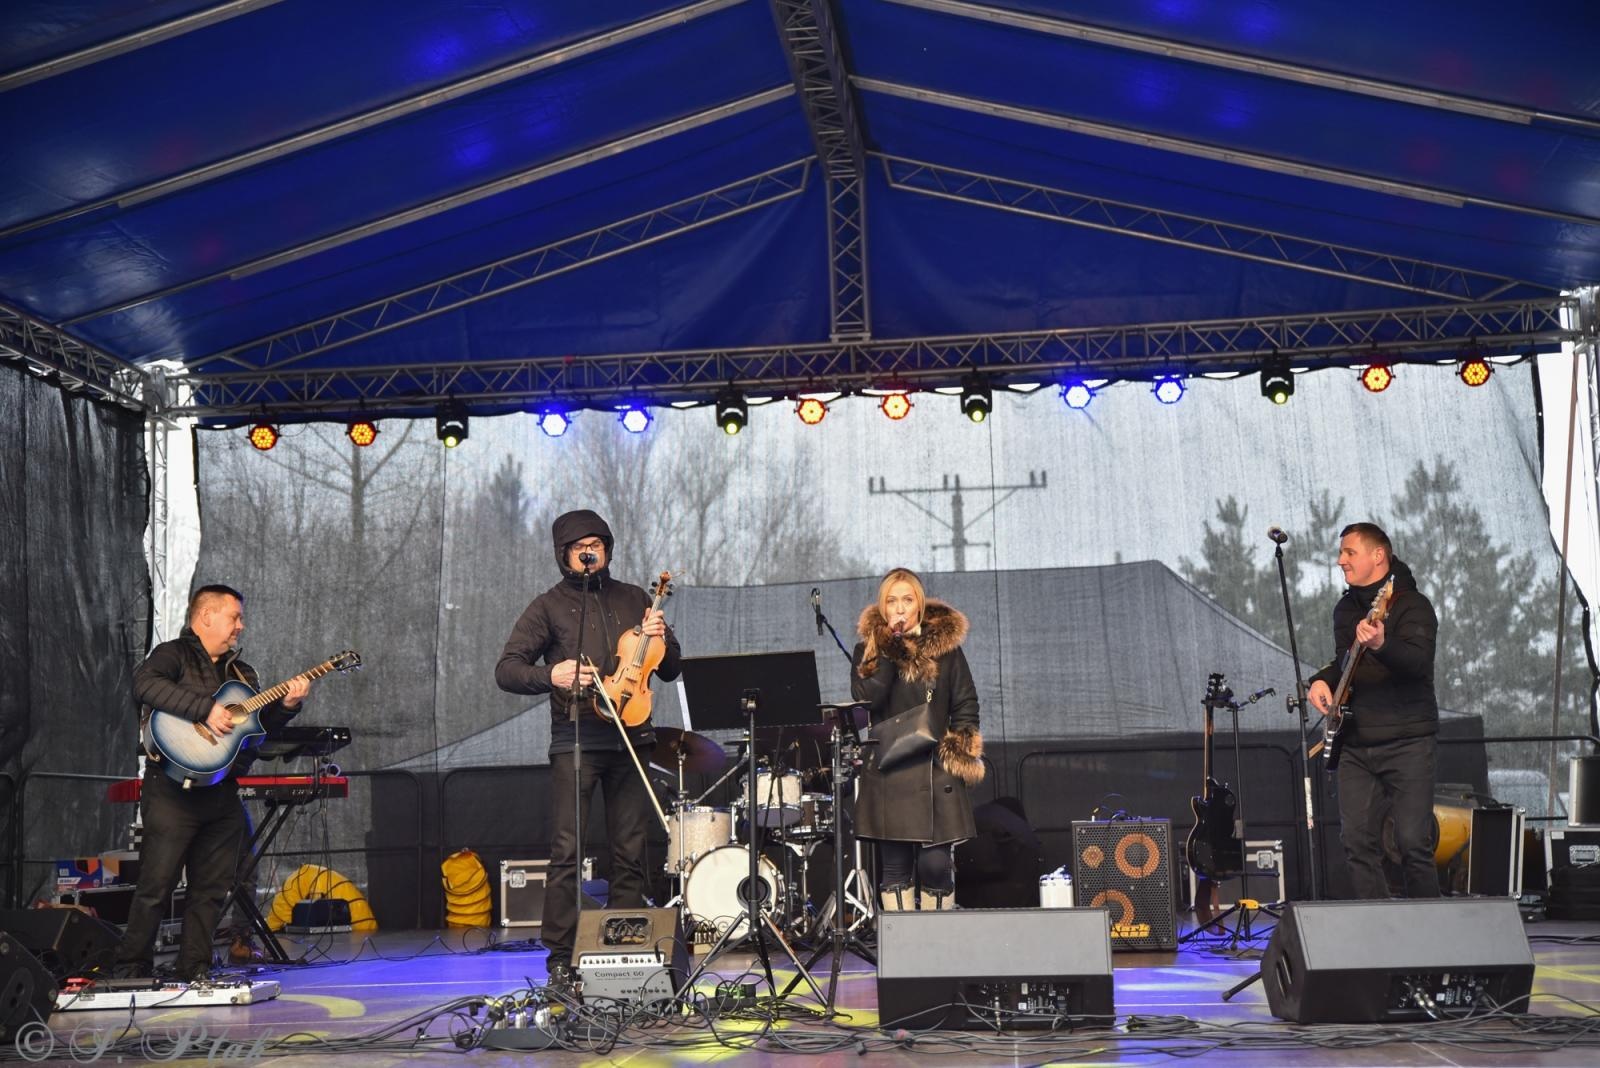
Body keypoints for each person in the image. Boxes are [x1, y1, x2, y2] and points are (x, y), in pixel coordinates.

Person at [495, 510, 681, 984]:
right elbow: (508, 668)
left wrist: (664, 639)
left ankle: (625, 948)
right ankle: (559, 956)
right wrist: (549, 674)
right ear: (564, 554)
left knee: (631, 847)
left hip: (633, 736)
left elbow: (672, 667)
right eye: (580, 544)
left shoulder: (635, 597)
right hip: (575, 738)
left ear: (608, 549)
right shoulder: (548, 606)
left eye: (597, 542)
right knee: (566, 850)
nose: (589, 549)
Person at [115, 584, 311, 981]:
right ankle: (130, 970)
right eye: (234, 616)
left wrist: (287, 708)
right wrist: (206, 709)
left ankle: (195, 968)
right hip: (171, 791)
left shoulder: (244, 674)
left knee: (210, 890)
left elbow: (255, 733)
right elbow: (144, 686)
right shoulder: (172, 654)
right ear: (206, 616)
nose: (241, 625)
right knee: (156, 886)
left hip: (221, 792)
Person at [1308, 523, 1441, 899]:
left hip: (1408, 742)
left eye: (1349, 552)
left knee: (1412, 843)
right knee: (1356, 843)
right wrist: (1320, 681)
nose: (1340, 560)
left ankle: (1433, 935)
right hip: (1357, 742)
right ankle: (1381, 931)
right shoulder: (1345, 609)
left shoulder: (1413, 605)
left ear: (1378, 555)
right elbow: (1345, 662)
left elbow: (1417, 663)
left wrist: (1382, 642)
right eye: (1341, 553)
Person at [850, 568, 983, 911]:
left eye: (907, 600)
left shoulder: (947, 651)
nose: (899, 608)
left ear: (919, 606)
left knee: (934, 865)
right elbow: (868, 700)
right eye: (891, 601)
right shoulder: (868, 651)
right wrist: (890, 649)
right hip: (888, 770)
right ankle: (903, 958)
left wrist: (958, 751)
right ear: (882, 608)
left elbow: (966, 703)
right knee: (894, 869)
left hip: (935, 769)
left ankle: (938, 952)